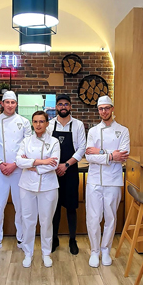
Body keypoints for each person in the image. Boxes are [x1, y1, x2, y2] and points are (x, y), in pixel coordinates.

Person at [85, 95, 130, 268]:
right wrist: (111, 155)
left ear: (112, 109)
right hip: (94, 180)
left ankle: (105, 250)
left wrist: (100, 152)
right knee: (93, 218)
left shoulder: (123, 131)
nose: (104, 111)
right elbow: (89, 156)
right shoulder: (93, 131)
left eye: (106, 108)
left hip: (113, 180)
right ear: (98, 111)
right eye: (101, 109)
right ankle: (94, 250)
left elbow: (123, 155)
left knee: (110, 217)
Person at [0, 91, 32, 255]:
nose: (10, 105)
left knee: (21, 206)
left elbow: (27, 147)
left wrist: (14, 164)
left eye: (13, 102)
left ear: (16, 104)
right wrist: (0, 164)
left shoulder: (24, 122)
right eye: (7, 102)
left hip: (19, 170)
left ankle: (22, 238)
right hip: (0, 171)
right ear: (2, 104)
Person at [15, 110, 60, 268]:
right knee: (28, 220)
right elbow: (19, 161)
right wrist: (41, 162)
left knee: (46, 221)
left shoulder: (54, 142)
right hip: (27, 186)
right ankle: (28, 253)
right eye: (35, 121)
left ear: (47, 123)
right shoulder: (26, 141)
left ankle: (46, 253)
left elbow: (54, 164)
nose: (38, 124)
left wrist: (31, 164)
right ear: (32, 123)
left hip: (48, 186)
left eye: (41, 121)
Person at [48, 94, 86, 255]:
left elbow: (82, 148)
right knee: (54, 208)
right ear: (56, 107)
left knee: (71, 207)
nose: (63, 107)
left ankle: (72, 240)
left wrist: (66, 165)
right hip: (53, 171)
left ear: (70, 106)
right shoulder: (49, 125)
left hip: (70, 171)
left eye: (66, 104)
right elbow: (47, 147)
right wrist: (56, 165)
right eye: (60, 104)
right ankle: (54, 239)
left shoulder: (78, 125)